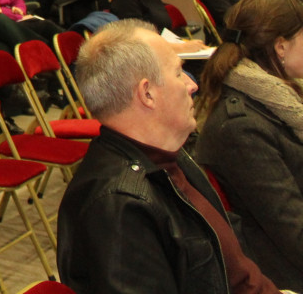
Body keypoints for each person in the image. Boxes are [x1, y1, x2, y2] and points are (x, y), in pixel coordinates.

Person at [58, 20, 280, 294]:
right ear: (147, 93)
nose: (192, 85)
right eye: (179, 73)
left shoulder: (171, 156)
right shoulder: (118, 206)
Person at [195, 0, 303, 291]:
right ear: (281, 46)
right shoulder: (241, 128)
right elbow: (293, 232)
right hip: (282, 273)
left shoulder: (281, 97)